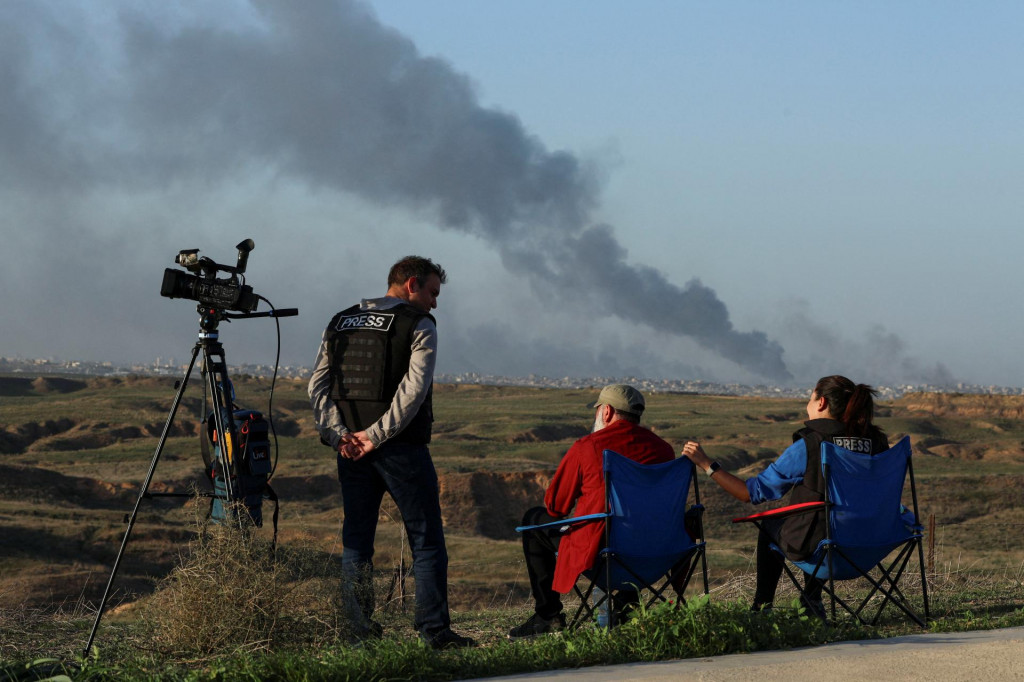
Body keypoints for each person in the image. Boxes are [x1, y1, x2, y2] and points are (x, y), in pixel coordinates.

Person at [308, 255, 475, 649]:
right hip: (400, 450)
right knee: (426, 540)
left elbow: (317, 385)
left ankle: (356, 631)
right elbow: (412, 392)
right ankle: (434, 632)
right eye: (433, 293)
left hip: (350, 451)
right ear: (412, 283)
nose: (435, 303)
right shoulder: (419, 324)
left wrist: (340, 436)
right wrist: (375, 436)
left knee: (357, 541)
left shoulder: (340, 320)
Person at [681, 375, 888, 616]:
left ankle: (762, 607)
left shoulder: (811, 445)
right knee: (822, 517)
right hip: (871, 546)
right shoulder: (878, 442)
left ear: (821, 403)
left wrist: (707, 464)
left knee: (775, 524)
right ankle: (811, 599)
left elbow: (750, 493)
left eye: (809, 399)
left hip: (827, 552)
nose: (807, 405)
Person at [508, 384, 675, 639]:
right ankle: (626, 602)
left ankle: (548, 615)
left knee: (534, 518)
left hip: (602, 554)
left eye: (597, 410)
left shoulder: (589, 446)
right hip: (656, 554)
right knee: (631, 523)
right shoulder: (664, 450)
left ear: (606, 411)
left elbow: (556, 506)